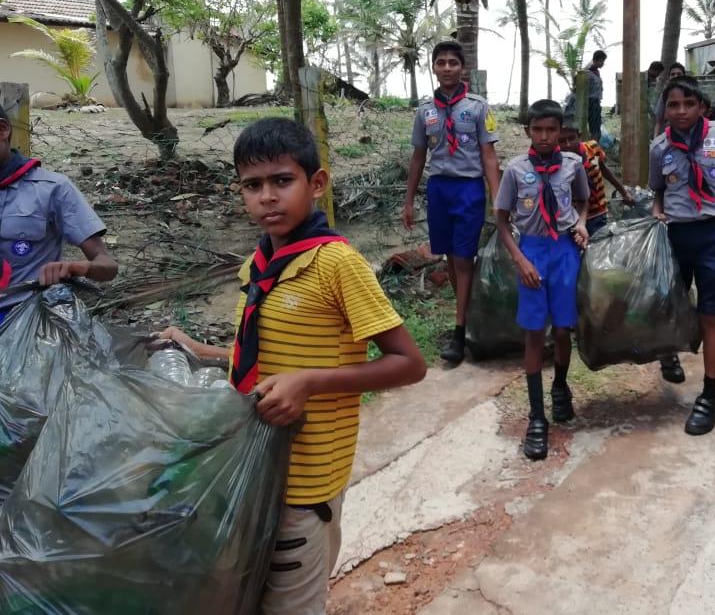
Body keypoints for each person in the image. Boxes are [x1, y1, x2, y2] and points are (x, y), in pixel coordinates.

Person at [157, 117, 427, 615]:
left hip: (303, 482)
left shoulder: (335, 264)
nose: (267, 197)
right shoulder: (255, 266)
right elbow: (262, 357)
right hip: (256, 470)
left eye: (282, 181)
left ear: (316, 184)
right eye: (252, 185)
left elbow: (409, 364)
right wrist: (201, 350)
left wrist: (309, 383)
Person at [650, 78, 715, 434]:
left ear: (702, 107)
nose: (681, 112)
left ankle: (709, 396)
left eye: (688, 104)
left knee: (711, 316)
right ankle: (669, 352)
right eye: (673, 105)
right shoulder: (660, 148)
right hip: (678, 235)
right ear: (665, 110)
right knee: (675, 306)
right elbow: (659, 191)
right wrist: (656, 208)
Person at [495, 99, 589, 461]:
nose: (546, 136)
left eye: (552, 130)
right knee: (535, 333)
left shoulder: (573, 165)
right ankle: (537, 419)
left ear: (561, 132)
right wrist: (520, 259)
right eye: (539, 130)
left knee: (564, 329)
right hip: (532, 253)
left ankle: (561, 387)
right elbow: (502, 221)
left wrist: (580, 223)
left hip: (564, 250)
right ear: (528, 132)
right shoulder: (516, 171)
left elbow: (583, 202)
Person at [403, 41, 501, 364]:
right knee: (449, 257)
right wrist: (409, 201)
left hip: (468, 189)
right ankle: (466, 320)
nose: (447, 68)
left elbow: (489, 158)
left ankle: (460, 332)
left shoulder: (478, 107)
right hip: (439, 190)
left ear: (463, 68)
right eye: (441, 62)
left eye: (453, 63)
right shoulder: (425, 110)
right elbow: (418, 157)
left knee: (464, 259)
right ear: (433, 67)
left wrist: (497, 200)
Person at [0, 104, 118, 326]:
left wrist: (78, 267)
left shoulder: (53, 188)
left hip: (27, 319)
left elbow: (108, 267)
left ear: (3, 129)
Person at [558, 119, 633, 236]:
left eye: (572, 138)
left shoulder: (593, 148)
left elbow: (605, 170)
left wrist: (623, 192)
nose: (567, 144)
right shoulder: (558, 161)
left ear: (579, 136)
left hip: (599, 212)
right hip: (573, 216)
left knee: (598, 248)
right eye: (561, 141)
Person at [654, 62, 688, 136]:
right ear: (669, 77)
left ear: (684, 76)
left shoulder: (691, 93)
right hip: (669, 136)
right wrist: (655, 139)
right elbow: (658, 121)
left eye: (679, 74)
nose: (676, 76)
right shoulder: (664, 95)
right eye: (673, 74)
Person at [585, 50, 607, 141]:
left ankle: (595, 146)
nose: (603, 63)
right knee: (594, 128)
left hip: (596, 102)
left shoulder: (596, 72)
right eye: (602, 61)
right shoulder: (588, 72)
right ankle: (593, 147)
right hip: (592, 102)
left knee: (597, 127)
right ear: (597, 60)